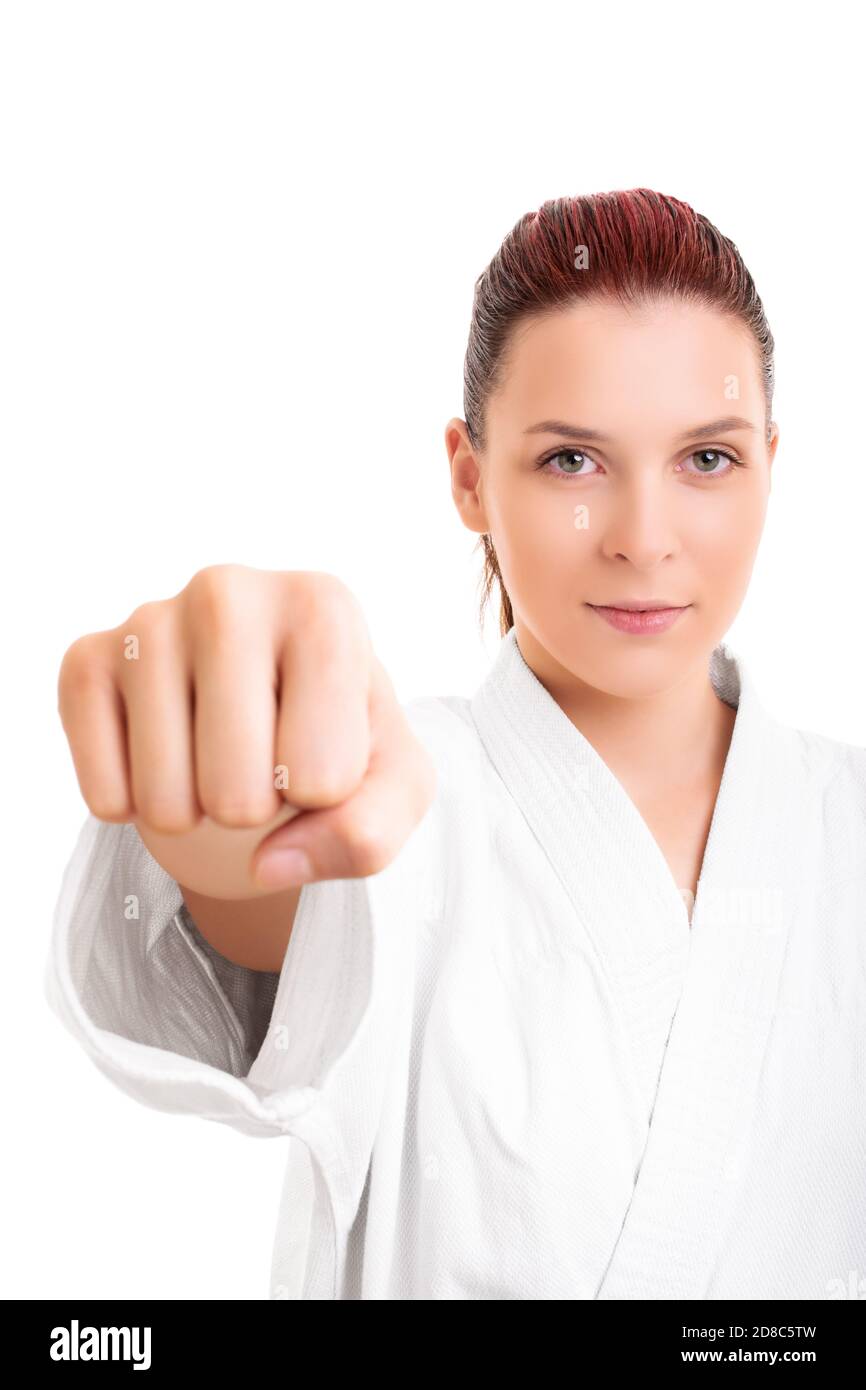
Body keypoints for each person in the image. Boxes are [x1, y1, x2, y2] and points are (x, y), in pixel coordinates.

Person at [47, 188, 866, 1300]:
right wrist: (225, 827)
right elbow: (285, 932)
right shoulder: (389, 799)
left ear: (770, 464)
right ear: (469, 476)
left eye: (705, 461)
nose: (641, 539)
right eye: (571, 461)